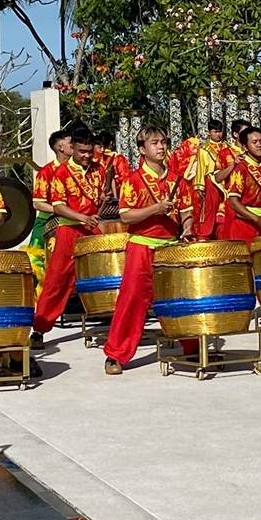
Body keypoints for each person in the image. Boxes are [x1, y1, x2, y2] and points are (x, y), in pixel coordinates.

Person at [103, 125, 194, 375]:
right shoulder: (133, 180)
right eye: (154, 143)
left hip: (171, 247)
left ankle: (192, 344)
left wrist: (187, 227)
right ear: (142, 149)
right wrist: (155, 209)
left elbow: (186, 210)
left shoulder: (177, 179)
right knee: (131, 301)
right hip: (142, 247)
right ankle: (116, 354)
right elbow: (127, 216)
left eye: (163, 141)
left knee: (180, 297)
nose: (161, 146)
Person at [31, 128, 106, 346]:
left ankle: (107, 316)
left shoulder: (98, 169)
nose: (87, 156)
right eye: (82, 151)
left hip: (91, 229)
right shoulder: (59, 173)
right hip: (68, 229)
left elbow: (100, 199)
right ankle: (40, 328)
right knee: (56, 281)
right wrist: (82, 217)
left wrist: (103, 199)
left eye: (90, 152)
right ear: (71, 148)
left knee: (106, 273)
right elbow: (58, 207)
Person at [222, 126, 261, 245]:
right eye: (254, 142)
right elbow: (233, 201)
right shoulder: (241, 168)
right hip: (246, 224)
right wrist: (256, 218)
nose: (259, 145)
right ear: (245, 147)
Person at [195, 118, 250, 239]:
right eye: (215, 131)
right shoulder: (205, 150)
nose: (218, 134)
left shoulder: (232, 148)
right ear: (209, 132)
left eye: (220, 131)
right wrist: (200, 186)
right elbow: (202, 169)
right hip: (216, 184)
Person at [30, 130, 72, 251]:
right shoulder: (46, 172)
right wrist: (61, 210)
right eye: (70, 142)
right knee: (37, 261)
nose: (74, 145)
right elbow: (37, 203)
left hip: (74, 221)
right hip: (47, 221)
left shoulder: (78, 170)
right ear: (60, 147)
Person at [93, 130, 132, 198]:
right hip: (111, 192)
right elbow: (125, 177)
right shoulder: (117, 157)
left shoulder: (91, 156)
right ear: (111, 143)